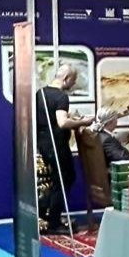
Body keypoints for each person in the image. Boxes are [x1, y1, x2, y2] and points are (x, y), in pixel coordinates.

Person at [37, 63, 93, 233]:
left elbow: (50, 118)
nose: (73, 84)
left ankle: (44, 210)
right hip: (57, 145)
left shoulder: (40, 93)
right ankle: (54, 223)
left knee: (59, 180)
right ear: (66, 78)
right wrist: (83, 121)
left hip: (43, 144)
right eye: (73, 80)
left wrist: (71, 118)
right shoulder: (61, 97)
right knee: (64, 179)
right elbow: (62, 123)